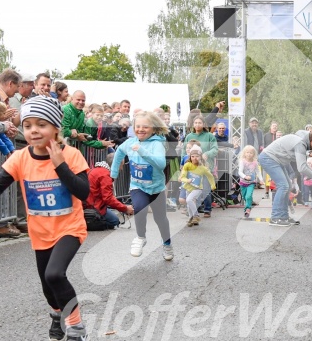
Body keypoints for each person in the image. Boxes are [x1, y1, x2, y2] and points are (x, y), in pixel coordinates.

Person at [0, 96, 91, 341]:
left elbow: (84, 192)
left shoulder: (71, 155)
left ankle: (76, 329)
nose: (33, 130)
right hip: (40, 232)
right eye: (28, 124)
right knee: (47, 286)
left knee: (55, 275)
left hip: (69, 228)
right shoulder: (20, 158)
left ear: (55, 128)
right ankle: (57, 315)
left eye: (41, 125)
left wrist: (60, 165)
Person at [111, 111, 173, 260]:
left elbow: (160, 164)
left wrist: (143, 152)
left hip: (156, 188)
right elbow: (119, 151)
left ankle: (167, 243)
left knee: (161, 219)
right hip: (138, 186)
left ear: (153, 128)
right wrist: (113, 174)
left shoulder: (157, 144)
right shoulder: (130, 142)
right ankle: (140, 237)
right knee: (139, 208)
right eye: (137, 126)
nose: (141, 129)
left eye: (145, 127)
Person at [259, 130, 312, 227]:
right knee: (283, 186)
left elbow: (300, 161)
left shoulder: (303, 141)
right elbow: (302, 167)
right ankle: (275, 217)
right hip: (268, 158)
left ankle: (283, 216)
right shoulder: (301, 144)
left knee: (288, 186)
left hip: (277, 160)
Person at [183, 115, 218, 218]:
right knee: (192, 188)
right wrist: (183, 164)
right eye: (196, 123)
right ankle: (194, 209)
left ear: (203, 124)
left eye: (200, 123)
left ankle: (207, 209)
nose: (197, 125)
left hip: (205, 167)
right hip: (192, 168)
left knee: (205, 188)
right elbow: (184, 150)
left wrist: (207, 154)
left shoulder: (209, 136)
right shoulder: (189, 136)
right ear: (193, 124)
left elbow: (215, 149)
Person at [86, 153, 134, 228]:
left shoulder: (96, 170)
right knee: (114, 221)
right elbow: (108, 198)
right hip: (93, 207)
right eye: (121, 165)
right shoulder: (105, 175)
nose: (121, 169)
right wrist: (125, 208)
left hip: (89, 204)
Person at [180, 146, 216, 227]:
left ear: (200, 157)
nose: (195, 158)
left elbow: (210, 176)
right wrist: (187, 180)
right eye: (192, 156)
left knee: (189, 200)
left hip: (198, 188)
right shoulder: (187, 165)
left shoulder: (202, 168)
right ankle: (191, 218)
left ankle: (196, 215)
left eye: (197, 156)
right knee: (189, 204)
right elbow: (182, 176)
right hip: (188, 187)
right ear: (190, 157)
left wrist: (213, 185)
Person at [238, 145, 264, 218]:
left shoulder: (255, 162)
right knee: (245, 197)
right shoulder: (242, 161)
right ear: (244, 153)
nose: (249, 154)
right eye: (247, 152)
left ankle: (248, 209)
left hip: (251, 182)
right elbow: (240, 172)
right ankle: (248, 204)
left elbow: (258, 172)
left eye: (251, 153)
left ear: (254, 154)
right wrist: (245, 176)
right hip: (243, 182)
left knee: (249, 195)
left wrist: (261, 180)